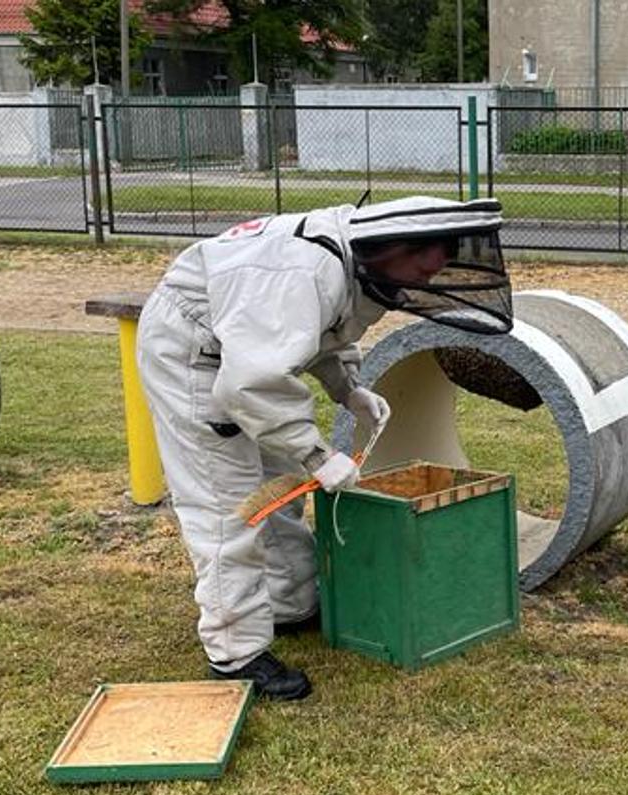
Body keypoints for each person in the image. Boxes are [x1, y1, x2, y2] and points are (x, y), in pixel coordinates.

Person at [135, 196, 512, 700]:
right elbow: (251, 383)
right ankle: (236, 653)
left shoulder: (351, 260)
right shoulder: (301, 273)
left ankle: (291, 603)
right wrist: (316, 455)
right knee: (226, 505)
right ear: (392, 246)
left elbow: (322, 332)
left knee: (274, 487)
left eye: (440, 260)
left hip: (237, 348)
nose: (429, 274)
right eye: (425, 261)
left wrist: (348, 388)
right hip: (193, 353)